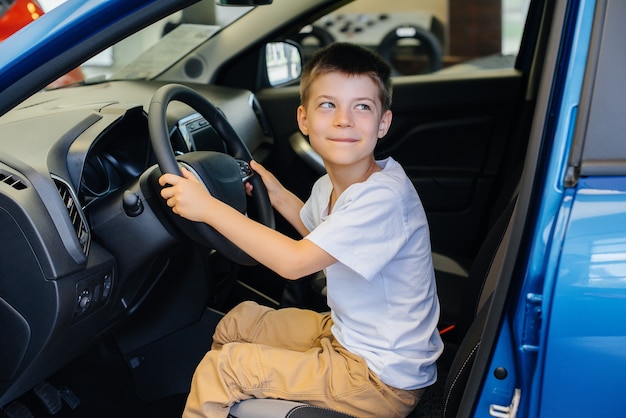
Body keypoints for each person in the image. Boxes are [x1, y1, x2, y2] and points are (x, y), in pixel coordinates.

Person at [159, 42, 443, 418]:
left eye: (362, 107)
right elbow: (316, 229)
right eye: (328, 105)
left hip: (380, 377)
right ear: (304, 119)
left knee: (223, 368)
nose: (344, 119)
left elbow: (296, 262)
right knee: (238, 321)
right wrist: (274, 193)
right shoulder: (334, 184)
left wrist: (207, 207)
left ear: (383, 123)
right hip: (348, 335)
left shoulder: (383, 198)